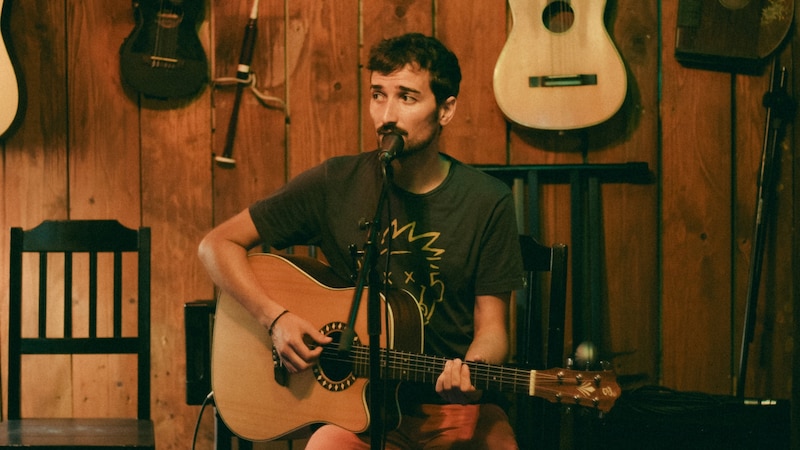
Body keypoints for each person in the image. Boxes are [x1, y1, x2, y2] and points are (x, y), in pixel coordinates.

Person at [198, 32, 525, 449]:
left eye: (407, 97)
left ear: (446, 110)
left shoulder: (486, 200)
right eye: (377, 95)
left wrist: (473, 373)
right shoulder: (336, 182)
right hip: (355, 415)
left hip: (449, 412)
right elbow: (216, 245)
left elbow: (493, 328)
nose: (386, 115)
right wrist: (274, 320)